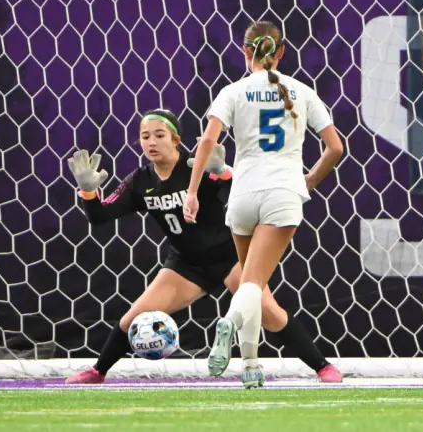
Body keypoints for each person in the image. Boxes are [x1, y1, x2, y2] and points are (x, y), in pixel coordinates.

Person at [65, 108, 342, 385]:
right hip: (186, 264)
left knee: (270, 314)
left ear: (176, 139)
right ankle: (98, 371)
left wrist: (222, 174)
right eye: (145, 136)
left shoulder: (197, 166)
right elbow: (99, 216)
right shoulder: (140, 181)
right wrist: (88, 192)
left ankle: (323, 367)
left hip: (231, 257)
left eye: (159, 135)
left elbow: (236, 196)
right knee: (132, 320)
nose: (152, 142)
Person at [184, 20, 343, 388]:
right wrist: (310, 179)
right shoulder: (301, 91)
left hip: (242, 194)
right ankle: (229, 323)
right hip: (281, 193)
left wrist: (192, 191)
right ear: (282, 51)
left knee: (252, 283)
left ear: (245, 51)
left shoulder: (232, 91)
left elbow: (208, 140)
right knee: (253, 284)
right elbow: (335, 147)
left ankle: (251, 366)